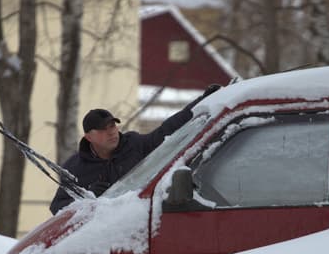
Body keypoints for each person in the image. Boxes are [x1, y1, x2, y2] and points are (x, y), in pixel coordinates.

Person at [49, 84, 222, 214]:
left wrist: (203, 100)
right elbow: (57, 208)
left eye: (112, 126)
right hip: (100, 237)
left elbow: (168, 130)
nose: (111, 132)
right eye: (103, 129)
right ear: (89, 137)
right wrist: (87, 198)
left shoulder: (134, 145)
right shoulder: (75, 167)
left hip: (137, 223)